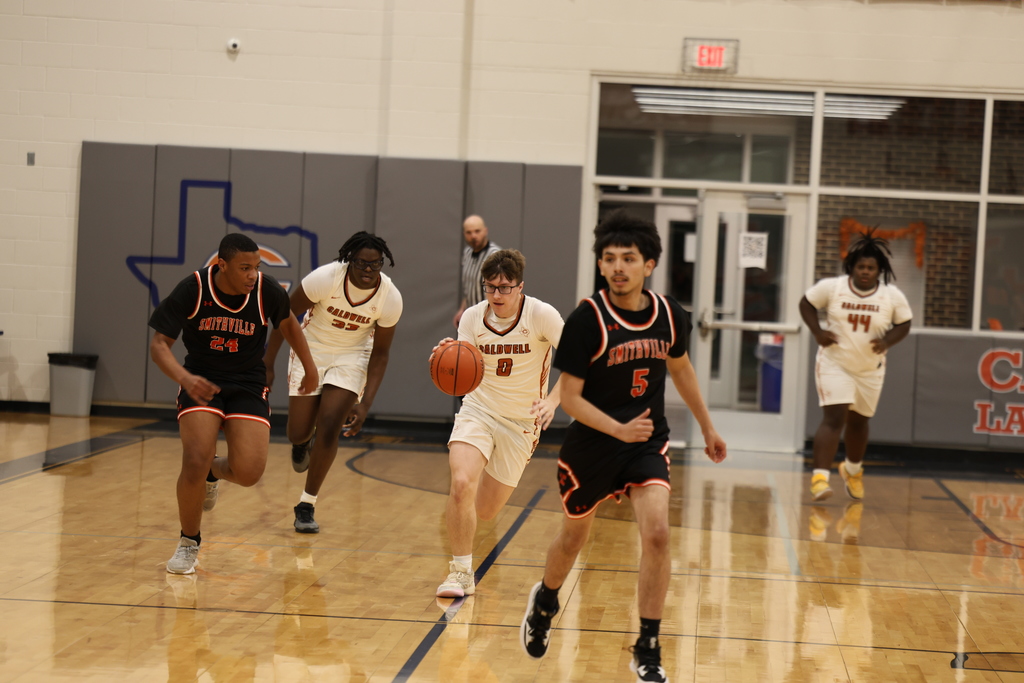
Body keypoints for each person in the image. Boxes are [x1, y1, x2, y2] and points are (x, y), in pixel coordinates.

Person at [519, 210, 727, 683]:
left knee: (657, 535)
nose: (618, 267)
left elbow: (681, 369)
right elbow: (571, 398)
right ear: (600, 264)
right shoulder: (586, 320)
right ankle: (546, 600)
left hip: (644, 443)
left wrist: (708, 428)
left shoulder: (669, 315)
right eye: (609, 258)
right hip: (592, 446)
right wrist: (618, 429)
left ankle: (648, 646)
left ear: (648, 264)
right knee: (573, 539)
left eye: (628, 258)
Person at [149, 232, 319, 575]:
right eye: (245, 268)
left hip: (247, 384)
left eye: (257, 267)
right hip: (202, 381)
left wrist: (310, 367)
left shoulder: (266, 290)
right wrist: (185, 378)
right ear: (222, 265)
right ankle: (188, 542)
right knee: (195, 459)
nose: (253, 275)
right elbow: (159, 344)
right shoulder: (194, 288)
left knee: (249, 473)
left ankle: (214, 471)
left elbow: (289, 324)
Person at [433, 249, 564, 598]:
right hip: (479, 409)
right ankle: (460, 572)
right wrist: (447, 356)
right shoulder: (473, 318)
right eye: (490, 287)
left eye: (505, 288)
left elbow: (578, 361)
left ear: (520, 287)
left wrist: (552, 401)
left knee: (486, 511)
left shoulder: (541, 315)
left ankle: (460, 515)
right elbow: (463, 366)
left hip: (521, 422)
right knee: (461, 483)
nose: (497, 295)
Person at [264, 231, 402, 533]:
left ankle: (306, 504)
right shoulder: (325, 278)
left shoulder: (390, 297)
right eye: (361, 263)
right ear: (349, 260)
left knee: (329, 425)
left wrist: (365, 404)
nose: (368, 270)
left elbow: (380, 354)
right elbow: (284, 315)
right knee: (297, 432)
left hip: (353, 355)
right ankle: (303, 441)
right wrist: (268, 362)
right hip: (311, 348)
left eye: (375, 264)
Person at [800, 231, 912, 502]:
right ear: (852, 267)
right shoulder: (832, 287)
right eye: (861, 266)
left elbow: (904, 323)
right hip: (835, 363)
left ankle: (852, 470)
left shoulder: (891, 296)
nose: (865, 271)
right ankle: (819, 479)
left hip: (870, 369)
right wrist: (818, 332)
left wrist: (887, 341)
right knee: (834, 418)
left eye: (870, 268)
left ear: (879, 271)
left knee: (859, 423)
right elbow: (806, 304)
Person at [453, 215, 501, 328]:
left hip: (490, 318)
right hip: (472, 317)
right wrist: (462, 310)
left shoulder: (495, 255)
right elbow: (469, 288)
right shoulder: (467, 253)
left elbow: (499, 290)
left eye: (477, 231)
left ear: (485, 231)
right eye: (469, 232)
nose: (473, 236)